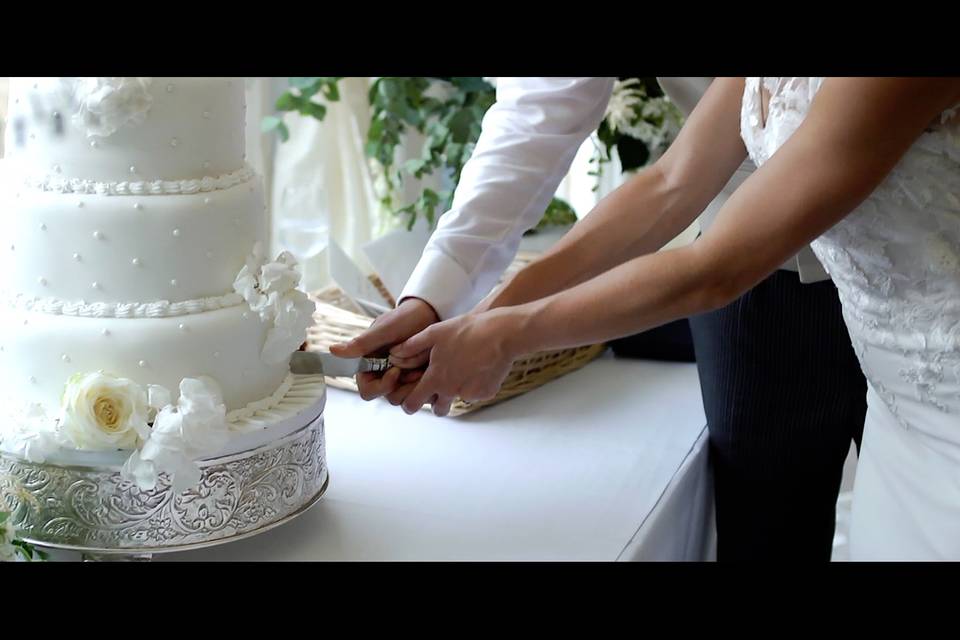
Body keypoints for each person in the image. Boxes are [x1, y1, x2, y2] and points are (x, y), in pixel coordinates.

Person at [333, 78, 869, 560]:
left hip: (929, 302)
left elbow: (712, 271)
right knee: (767, 532)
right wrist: (462, 317)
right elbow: (667, 181)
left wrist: (505, 333)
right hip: (746, 252)